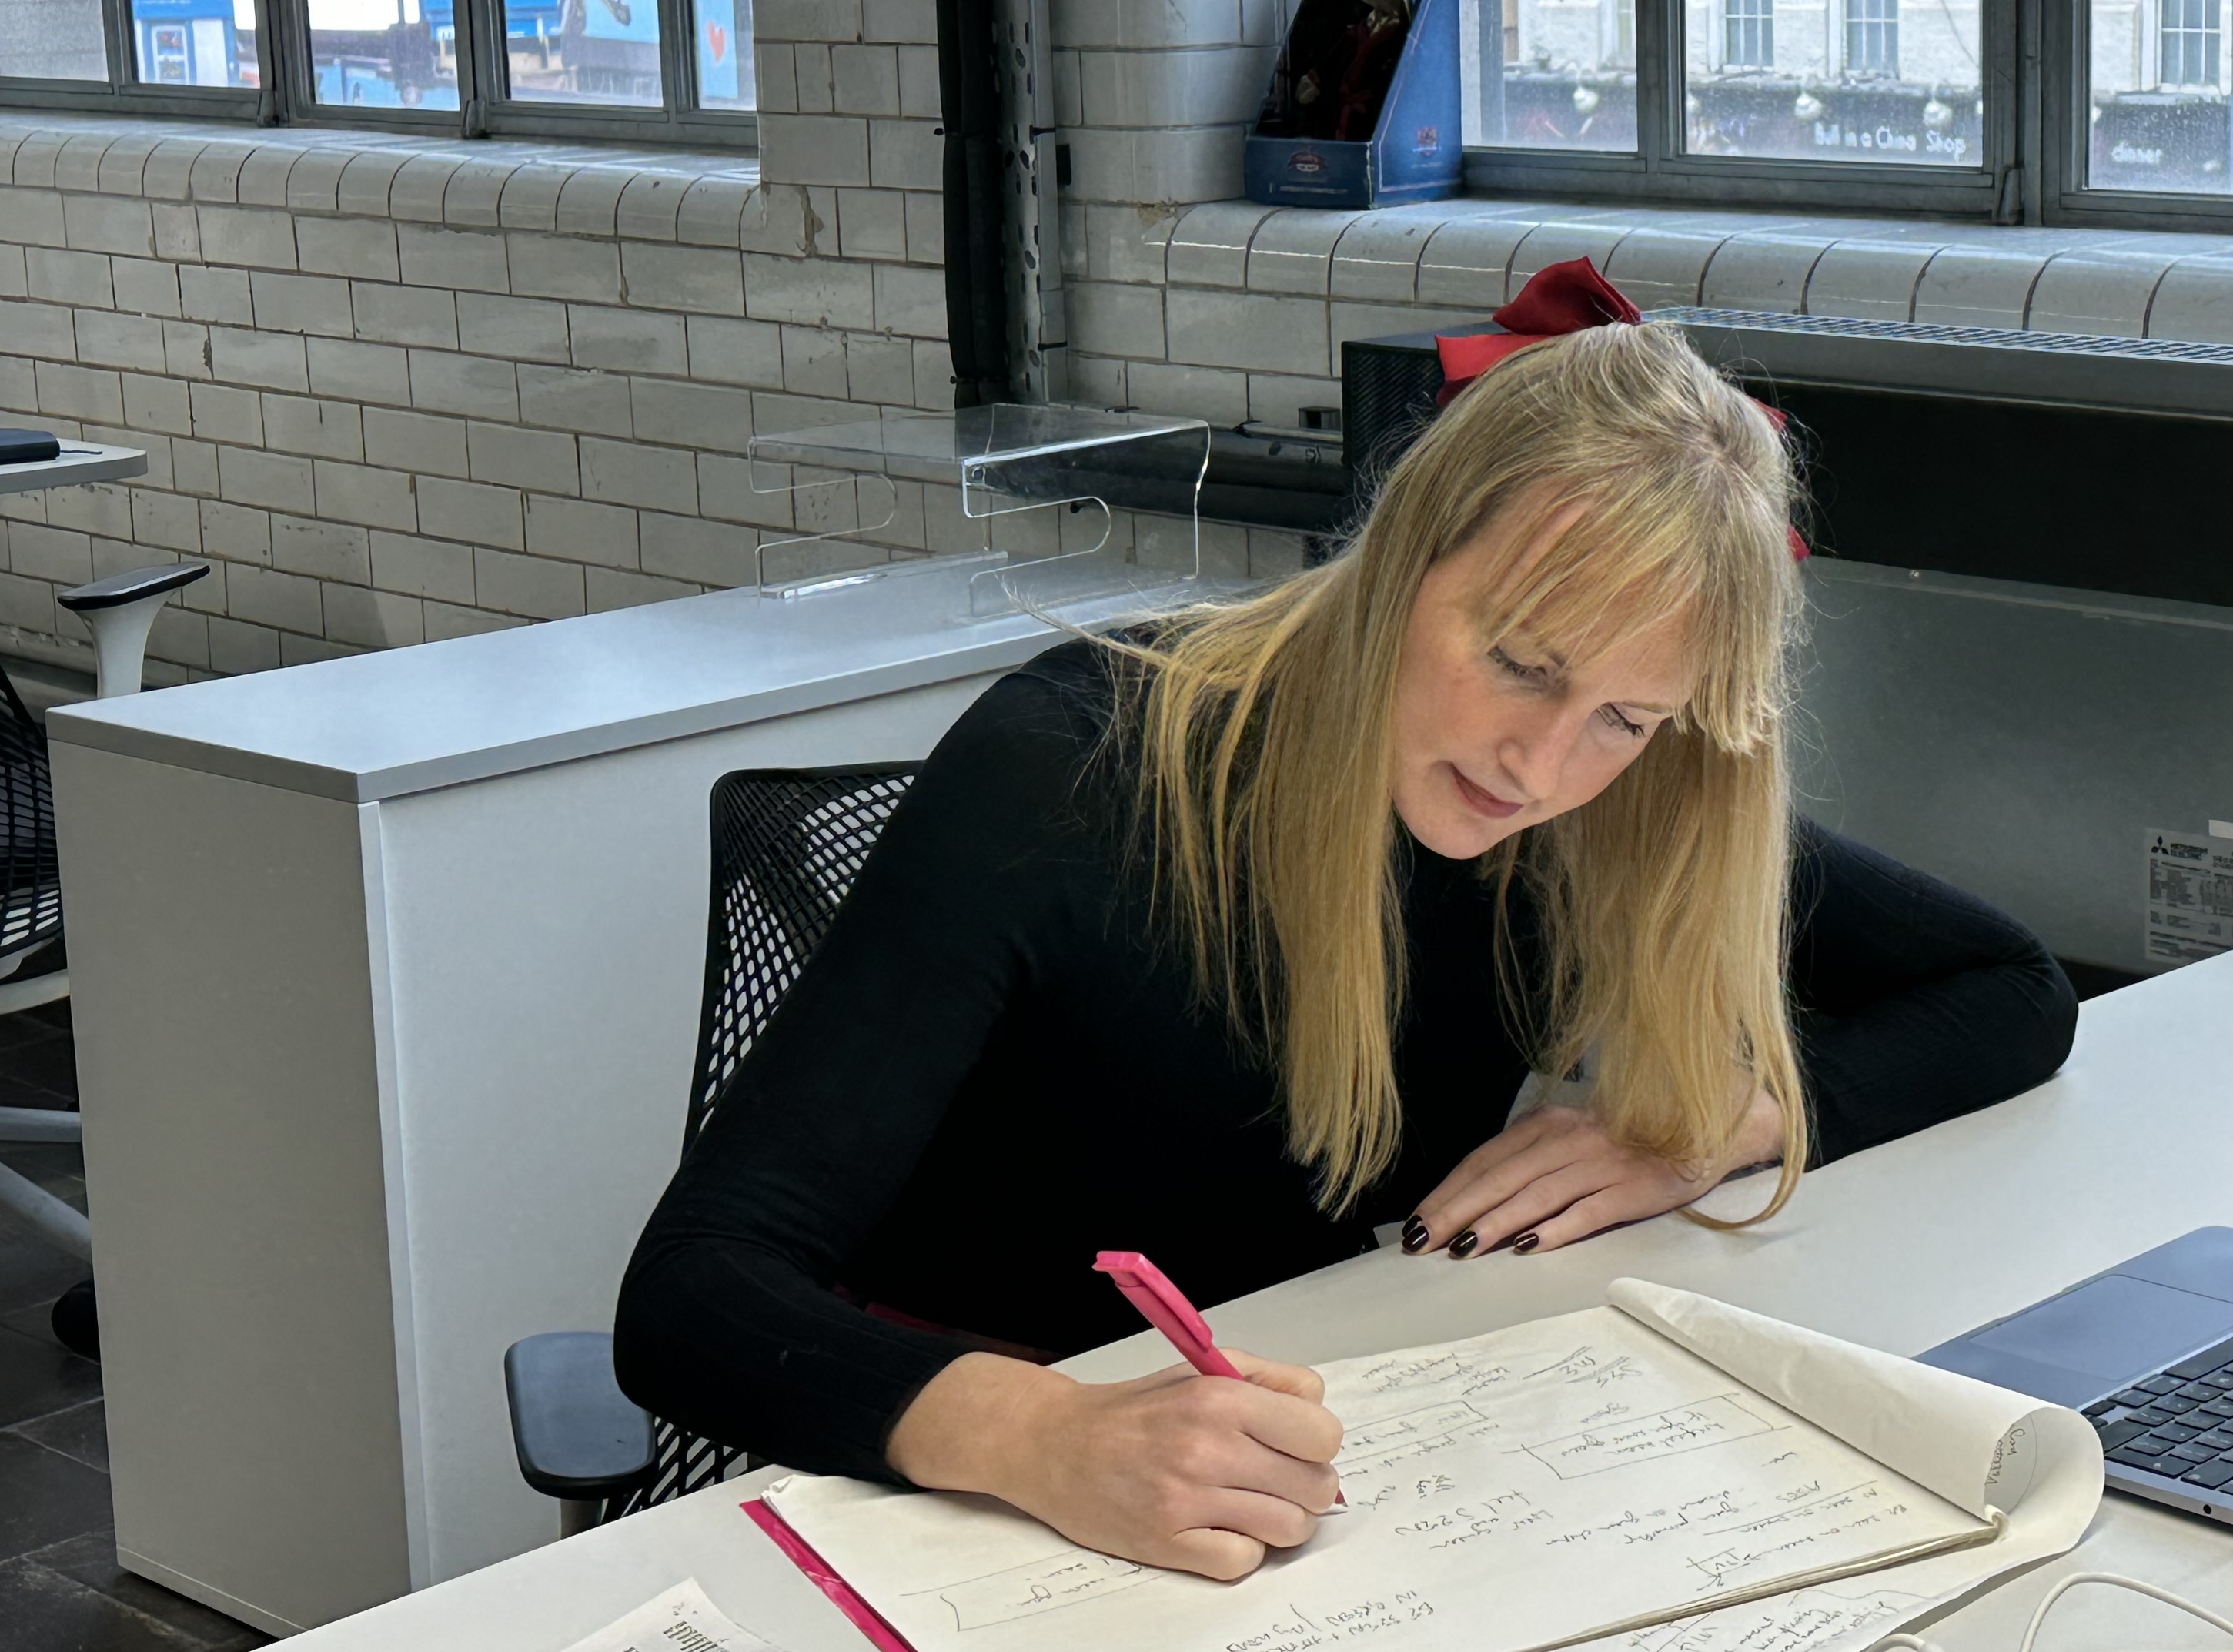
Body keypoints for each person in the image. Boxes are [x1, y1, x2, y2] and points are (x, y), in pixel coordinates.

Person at [614, 322, 2076, 1583]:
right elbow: (691, 1294)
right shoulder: (1078, 768)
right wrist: (1044, 1435)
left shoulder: (1611, 811)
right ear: (1402, 557)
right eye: (1518, 661)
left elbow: (2011, 991)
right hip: (962, 1489)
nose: (1541, 765)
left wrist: (1702, 1131)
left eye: (1629, 719)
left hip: (1297, 1460)